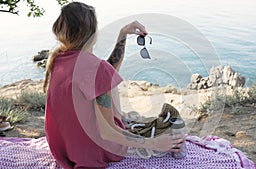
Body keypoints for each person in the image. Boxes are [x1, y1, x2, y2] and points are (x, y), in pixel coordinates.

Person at [43, 2, 185, 169]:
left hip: (64, 149)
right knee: (173, 129)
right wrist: (154, 143)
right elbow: (107, 132)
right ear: (93, 32)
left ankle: (122, 120)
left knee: (108, 80)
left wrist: (123, 34)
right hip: (93, 151)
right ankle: (128, 124)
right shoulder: (95, 68)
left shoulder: (59, 59)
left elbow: (103, 75)